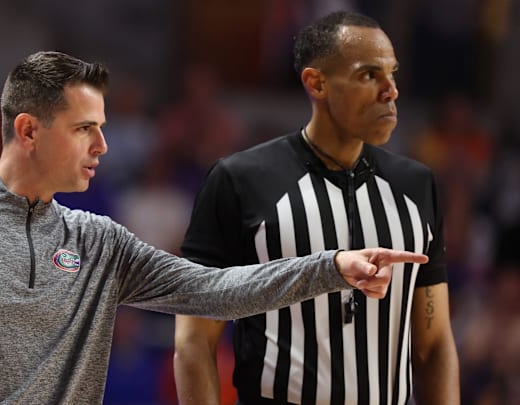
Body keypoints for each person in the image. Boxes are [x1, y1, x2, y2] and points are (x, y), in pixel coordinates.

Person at [0, 50, 428, 405]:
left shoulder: (100, 242)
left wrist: (330, 267)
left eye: (103, 126)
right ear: (29, 130)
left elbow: (214, 290)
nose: (103, 145)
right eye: (84, 128)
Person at [174, 11, 459, 405]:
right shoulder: (240, 180)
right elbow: (194, 343)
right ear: (317, 82)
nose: (390, 90)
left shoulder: (417, 185)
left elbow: (434, 344)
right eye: (368, 74)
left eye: (392, 73)